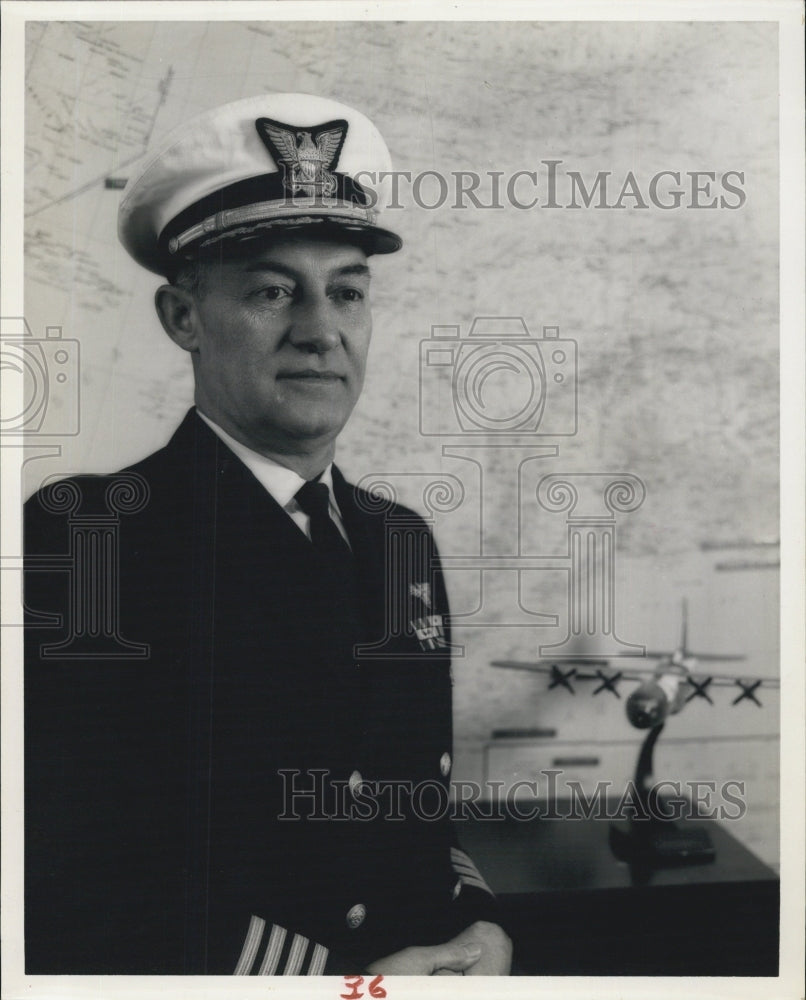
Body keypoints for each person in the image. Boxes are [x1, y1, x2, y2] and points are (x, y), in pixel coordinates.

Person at [24, 93, 511, 977]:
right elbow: (61, 872)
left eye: (348, 292)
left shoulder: (401, 542)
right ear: (183, 318)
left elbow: (413, 804)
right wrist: (337, 987)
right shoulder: (89, 539)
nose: (320, 330)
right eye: (272, 290)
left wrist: (479, 923)